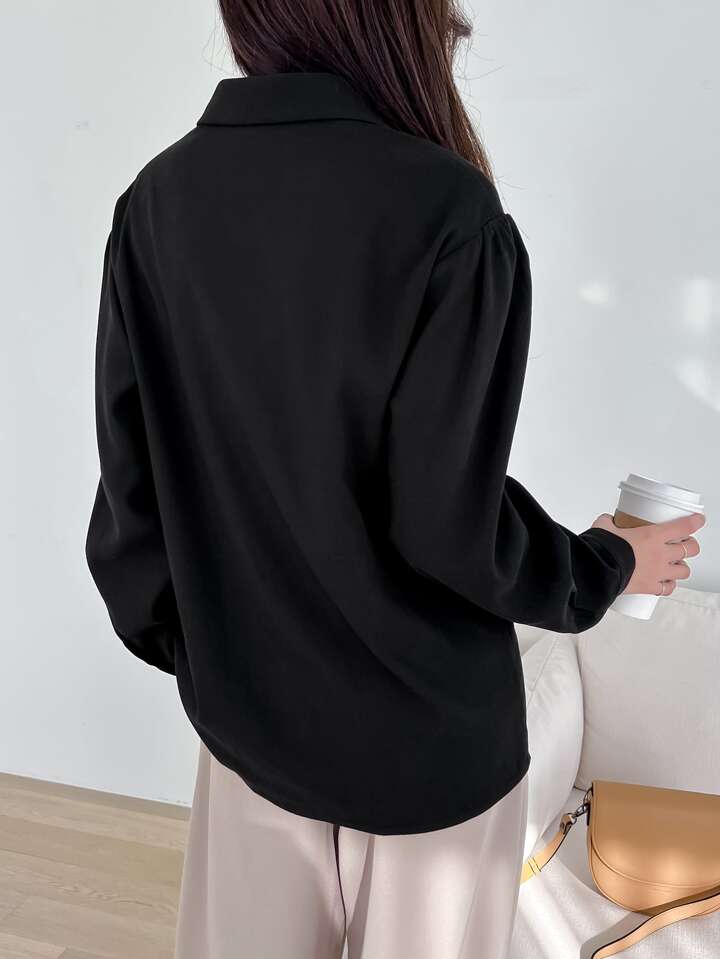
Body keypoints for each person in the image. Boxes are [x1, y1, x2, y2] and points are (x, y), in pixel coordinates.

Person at [84, 1, 705, 957]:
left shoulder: (157, 201)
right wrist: (604, 565)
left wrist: (225, 658)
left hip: (251, 734)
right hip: (430, 757)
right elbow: (449, 520)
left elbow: (134, 512)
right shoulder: (448, 211)